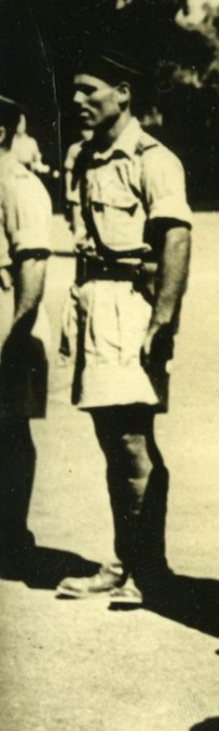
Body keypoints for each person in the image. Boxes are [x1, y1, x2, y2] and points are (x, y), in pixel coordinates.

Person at [54, 50, 192, 609]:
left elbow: (176, 240)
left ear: (123, 93)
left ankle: (147, 569)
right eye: (75, 90)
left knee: (133, 440)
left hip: (131, 306)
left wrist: (162, 318)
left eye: (90, 90)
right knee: (112, 440)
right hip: (92, 300)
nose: (78, 101)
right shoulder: (81, 156)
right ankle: (123, 561)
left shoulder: (153, 158)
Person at [0, 93, 54, 578]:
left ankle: (11, 536)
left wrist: (15, 336)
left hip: (5, 320)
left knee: (9, 432)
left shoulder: (18, 185)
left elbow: (32, 266)